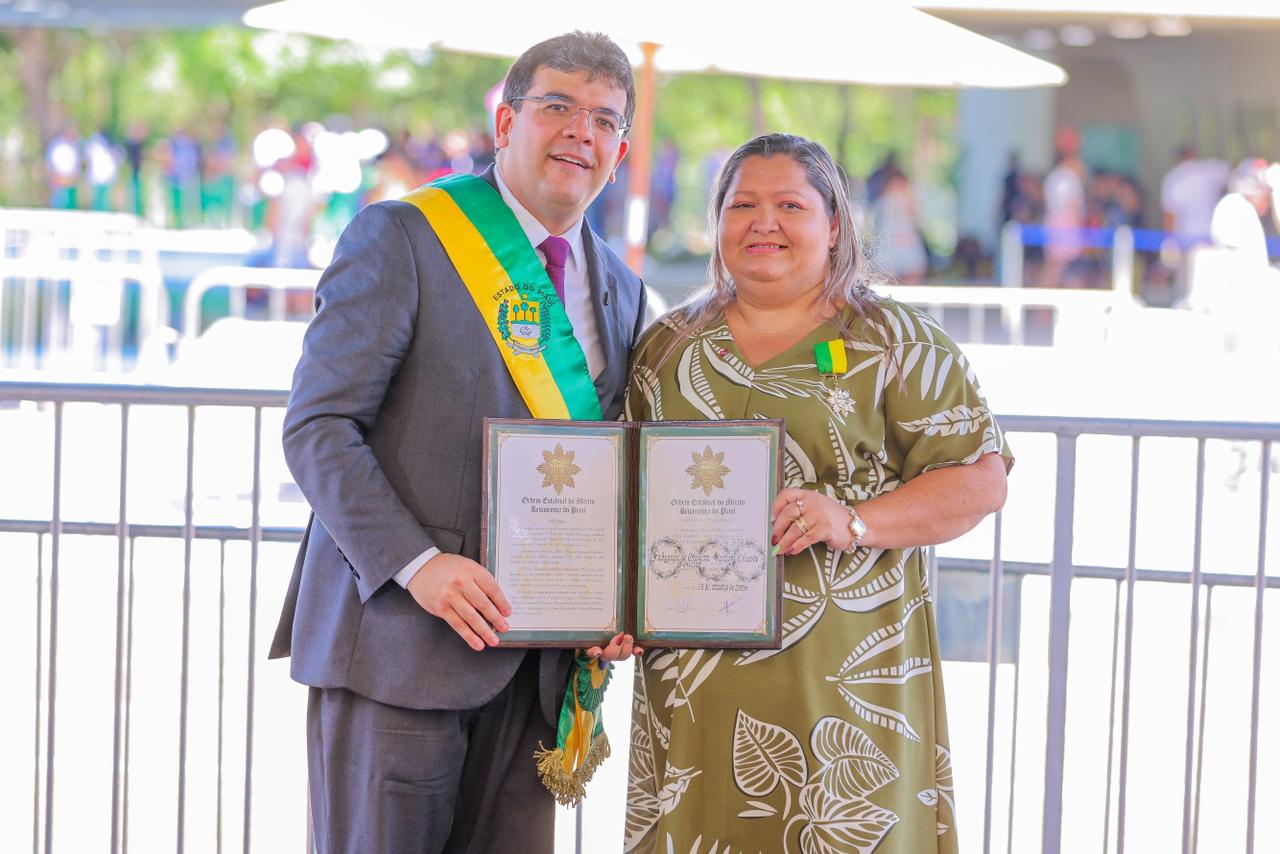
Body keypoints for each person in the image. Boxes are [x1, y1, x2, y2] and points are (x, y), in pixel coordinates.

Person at [270, 31, 647, 853]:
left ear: (619, 153)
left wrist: (619, 597)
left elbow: (605, 465)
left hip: (538, 667)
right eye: (557, 106)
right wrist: (419, 565)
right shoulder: (403, 236)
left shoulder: (622, 289)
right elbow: (318, 427)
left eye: (604, 120)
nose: (580, 132)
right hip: (398, 648)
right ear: (506, 121)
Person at [622, 133, 1012, 853]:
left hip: (846, 694)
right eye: (742, 205)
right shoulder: (667, 349)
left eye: (790, 206)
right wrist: (610, 605)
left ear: (835, 225)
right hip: (693, 692)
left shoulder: (896, 342)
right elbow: (626, 497)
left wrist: (853, 520)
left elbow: (981, 481)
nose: (763, 223)